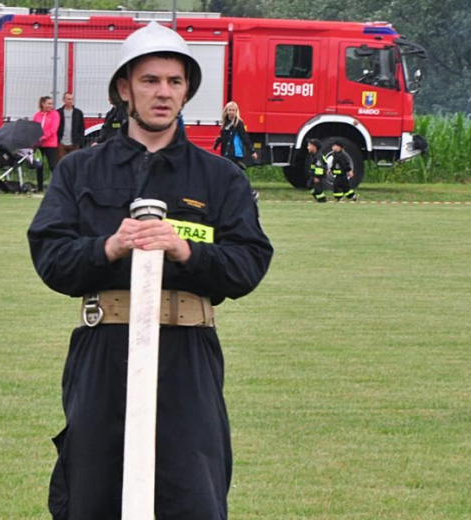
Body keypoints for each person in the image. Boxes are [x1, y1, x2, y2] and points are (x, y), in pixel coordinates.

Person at [27, 21, 273, 520]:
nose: (163, 93)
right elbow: (52, 258)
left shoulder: (220, 177)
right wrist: (109, 246)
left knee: (193, 493)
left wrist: (187, 251)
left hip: (189, 355)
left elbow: (248, 263)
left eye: (174, 82)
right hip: (104, 353)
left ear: (186, 92)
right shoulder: (79, 171)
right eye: (150, 80)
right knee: (93, 492)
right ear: (125, 89)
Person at [213, 101, 258, 170]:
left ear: (236, 111)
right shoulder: (225, 123)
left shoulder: (238, 123)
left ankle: (238, 165)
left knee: (227, 169)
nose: (231, 112)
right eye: (230, 110)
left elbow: (244, 137)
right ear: (226, 111)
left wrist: (252, 151)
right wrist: (217, 142)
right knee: (226, 169)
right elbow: (223, 136)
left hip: (234, 151)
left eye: (233, 110)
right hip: (225, 151)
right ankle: (237, 166)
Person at [32, 96, 59, 191]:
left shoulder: (55, 114)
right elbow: (34, 128)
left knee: (53, 166)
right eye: (48, 103)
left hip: (50, 144)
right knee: (39, 165)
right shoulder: (37, 115)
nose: (50, 106)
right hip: (39, 145)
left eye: (51, 104)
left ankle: (58, 187)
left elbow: (53, 129)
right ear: (43, 104)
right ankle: (39, 187)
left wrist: (43, 137)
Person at [56, 92, 85, 161]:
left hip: (74, 143)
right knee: (61, 162)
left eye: (72, 99)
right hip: (61, 143)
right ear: (64, 100)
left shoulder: (78, 113)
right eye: (68, 99)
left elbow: (81, 127)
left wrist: (79, 141)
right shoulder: (58, 112)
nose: (70, 101)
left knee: (73, 162)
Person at [307, 138, 328, 203]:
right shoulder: (314, 155)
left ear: (314, 147)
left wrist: (317, 177)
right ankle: (318, 199)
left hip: (318, 177)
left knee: (318, 190)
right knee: (310, 185)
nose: (308, 147)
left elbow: (320, 167)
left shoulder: (318, 156)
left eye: (309, 146)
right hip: (314, 176)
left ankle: (322, 201)